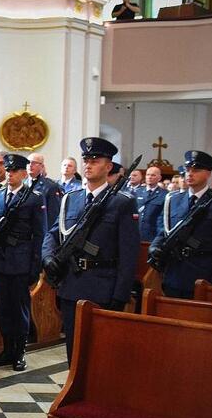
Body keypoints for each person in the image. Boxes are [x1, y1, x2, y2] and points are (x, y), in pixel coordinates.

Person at [42, 137, 139, 365]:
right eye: (86, 159)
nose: (89, 164)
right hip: (71, 284)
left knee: (100, 355)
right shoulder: (71, 198)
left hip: (102, 286)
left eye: (95, 160)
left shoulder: (122, 202)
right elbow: (53, 233)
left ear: (108, 166)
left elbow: (128, 252)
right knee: (73, 352)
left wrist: (120, 295)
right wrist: (47, 258)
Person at [0, 154, 45, 371]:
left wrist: (35, 267)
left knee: (19, 309)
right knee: (3, 308)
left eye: (14, 171)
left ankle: (19, 353)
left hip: (21, 262)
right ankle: (7, 350)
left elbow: (39, 235)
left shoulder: (34, 198)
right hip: (1, 261)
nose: (9, 174)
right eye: (8, 170)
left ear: (24, 174)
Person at [149, 151, 212, 298]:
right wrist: (155, 245)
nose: (190, 174)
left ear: (208, 173)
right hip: (173, 273)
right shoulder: (174, 199)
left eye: (196, 170)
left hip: (202, 275)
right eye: (187, 170)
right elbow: (164, 230)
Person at [27, 153, 64, 228]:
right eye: (28, 163)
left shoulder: (50, 186)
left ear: (42, 166)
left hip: (41, 231)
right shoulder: (22, 184)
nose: (30, 165)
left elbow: (52, 216)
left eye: (34, 163)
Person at [133, 166, 165, 242]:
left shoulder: (164, 194)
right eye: (148, 175)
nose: (150, 177)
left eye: (153, 175)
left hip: (153, 235)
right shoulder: (137, 192)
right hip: (136, 234)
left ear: (159, 178)